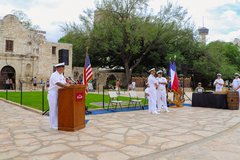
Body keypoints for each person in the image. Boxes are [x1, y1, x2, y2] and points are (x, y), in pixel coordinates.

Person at [47, 62, 70, 129]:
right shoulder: (54, 75)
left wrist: (69, 83)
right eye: (63, 68)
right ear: (58, 68)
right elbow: (58, 83)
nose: (63, 69)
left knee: (57, 109)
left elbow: (64, 82)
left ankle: (57, 123)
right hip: (53, 94)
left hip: (60, 93)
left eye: (64, 68)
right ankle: (53, 125)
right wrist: (66, 86)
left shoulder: (61, 75)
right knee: (53, 109)